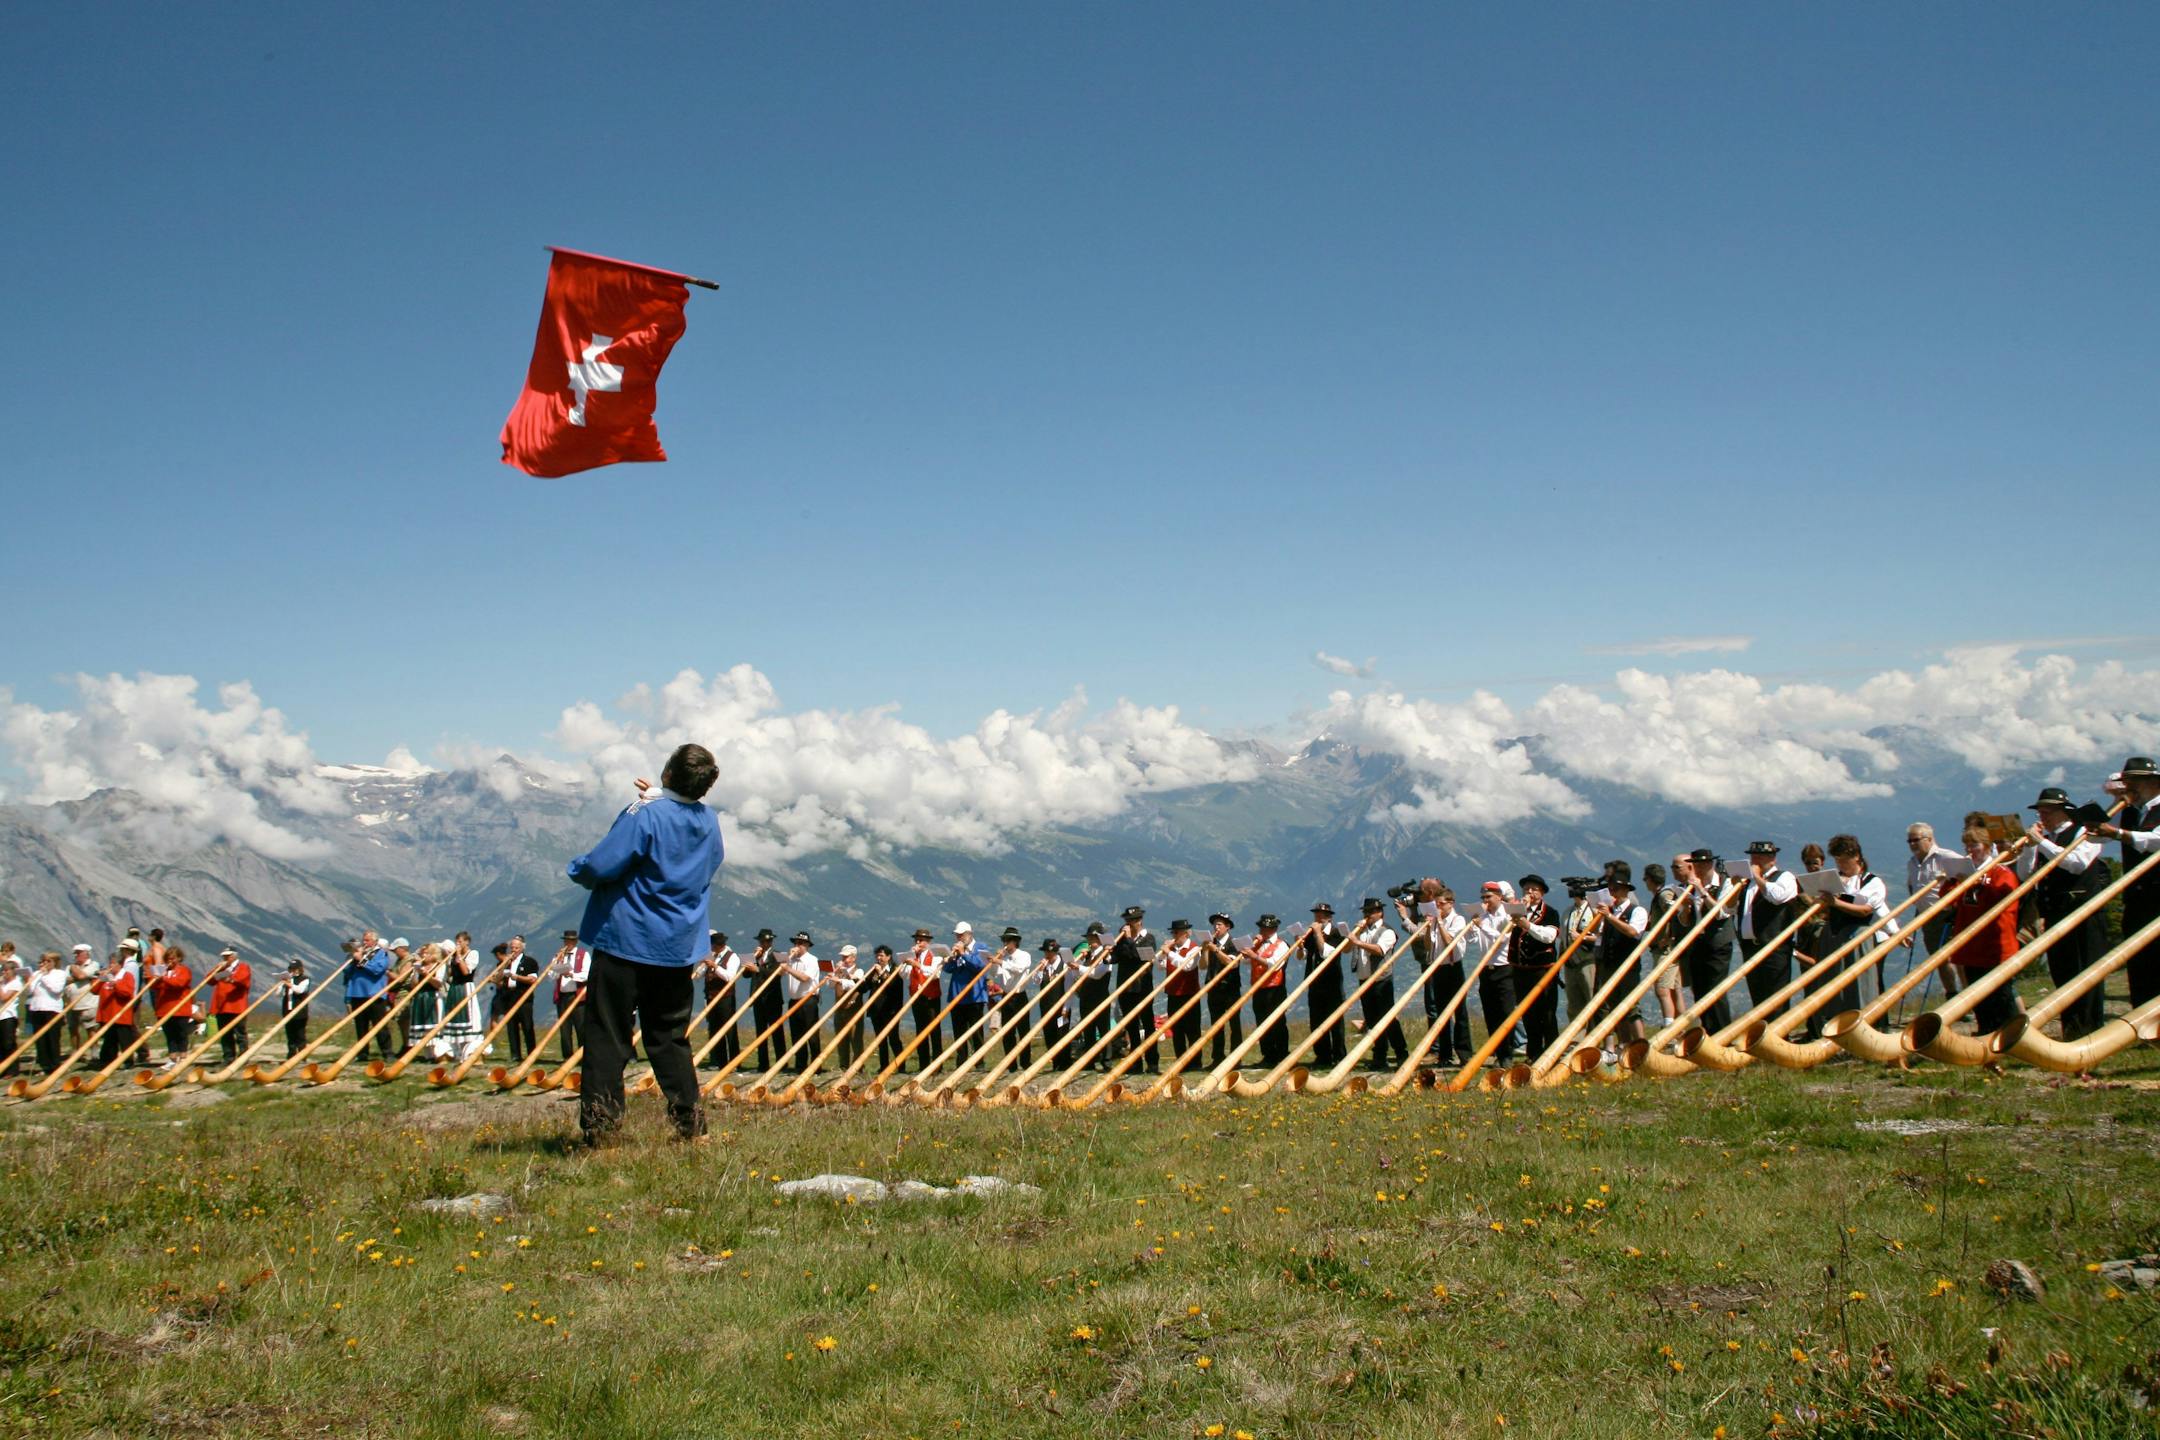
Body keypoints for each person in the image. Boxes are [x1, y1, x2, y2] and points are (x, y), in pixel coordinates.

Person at [565, 744, 725, 1144]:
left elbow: (601, 865)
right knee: (670, 1037)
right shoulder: (708, 820)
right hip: (677, 948)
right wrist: (662, 797)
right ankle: (691, 1126)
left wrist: (577, 867)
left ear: (668, 773)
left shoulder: (644, 814)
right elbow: (704, 853)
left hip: (627, 941)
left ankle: (602, 1130)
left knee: (607, 1036)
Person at [2019, 786, 2107, 1040]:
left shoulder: (2084, 832)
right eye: (2041, 812)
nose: (2043, 817)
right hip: (2055, 912)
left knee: (2086, 969)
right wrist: (2030, 847)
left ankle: (2091, 1029)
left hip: (2082, 911)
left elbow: (2076, 864)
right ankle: (2071, 1028)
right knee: (2063, 971)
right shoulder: (2047, 840)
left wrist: (2042, 843)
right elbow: (2025, 874)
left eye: (2048, 812)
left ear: (2064, 812)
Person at [1941, 823, 2023, 1035]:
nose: (1970, 850)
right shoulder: (1966, 871)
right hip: (1971, 944)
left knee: (2001, 996)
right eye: (1967, 845)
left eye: (1974, 844)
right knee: (1978, 996)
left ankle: (2010, 1036)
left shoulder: (2001, 872)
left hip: (1995, 944)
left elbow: (2001, 899)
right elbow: (1949, 901)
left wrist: (1974, 883)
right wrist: (1950, 880)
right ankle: (1986, 1032)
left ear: (1987, 846)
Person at [2091, 756, 2160, 1009]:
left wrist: (2119, 834)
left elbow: (2155, 841)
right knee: (2139, 962)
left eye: (2134, 782)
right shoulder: (2129, 811)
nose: (2129, 787)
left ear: (2153, 783)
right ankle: (2141, 1019)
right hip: (2137, 897)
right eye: (2126, 782)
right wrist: (2113, 808)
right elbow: (2097, 839)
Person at [1810, 836, 1896, 1034]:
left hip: (1858, 935)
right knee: (1833, 984)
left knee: (1859, 985)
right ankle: (1836, 1027)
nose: (1840, 864)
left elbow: (1865, 910)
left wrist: (1836, 902)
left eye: (1844, 860)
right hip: (1834, 934)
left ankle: (1865, 1028)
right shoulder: (1835, 880)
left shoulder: (1872, 882)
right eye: (1837, 860)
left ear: (1856, 857)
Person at [1588, 876, 1649, 1062]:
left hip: (1628, 965)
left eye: (1615, 889)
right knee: (1614, 1007)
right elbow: (1598, 933)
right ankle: (1623, 1045)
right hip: (1609, 964)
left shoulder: (1637, 911)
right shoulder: (1610, 912)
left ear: (1625, 891)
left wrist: (1609, 917)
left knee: (1631, 1006)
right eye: (1610, 890)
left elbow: (1633, 932)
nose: (1612, 893)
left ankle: (1642, 1047)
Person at [1678, 848, 1739, 1033]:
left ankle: (1723, 1032)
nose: (1697, 868)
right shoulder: (1691, 886)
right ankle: (1707, 1031)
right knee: (1699, 990)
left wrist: (1702, 891)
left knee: (1715, 990)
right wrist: (1686, 908)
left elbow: (1721, 913)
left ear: (1709, 864)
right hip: (1698, 942)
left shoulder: (1725, 883)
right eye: (1694, 865)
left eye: (1701, 864)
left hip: (1718, 943)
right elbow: (1684, 921)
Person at [1737, 842, 1801, 1017]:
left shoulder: (1784, 877)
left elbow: (1777, 897)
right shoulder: (1748, 883)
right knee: (1757, 996)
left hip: (1774, 947)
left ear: (1772, 859)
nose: (1754, 861)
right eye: (1753, 857)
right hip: (1750, 946)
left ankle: (1778, 1031)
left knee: (1775, 997)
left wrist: (1758, 878)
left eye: (1759, 857)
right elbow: (1731, 909)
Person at [1504, 876, 1563, 1062]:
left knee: (1547, 1013)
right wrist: (1516, 913)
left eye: (1534, 889)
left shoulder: (1550, 912)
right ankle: (1533, 1053)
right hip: (1521, 970)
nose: (1529, 892)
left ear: (1542, 892)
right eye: (1526, 889)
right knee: (1528, 1013)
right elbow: (1503, 930)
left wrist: (1527, 925)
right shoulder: (1517, 911)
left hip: (1542, 970)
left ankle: (1552, 1053)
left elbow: (1549, 936)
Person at [1905, 823, 1966, 998]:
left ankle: (1968, 994)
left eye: (1916, 840)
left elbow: (1967, 874)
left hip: (1947, 914)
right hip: (1927, 915)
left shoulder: (1946, 856)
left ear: (1929, 839)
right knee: (1938, 958)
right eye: (1910, 841)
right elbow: (1911, 884)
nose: (1912, 844)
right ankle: (1951, 993)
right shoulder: (1912, 863)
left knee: (1958, 957)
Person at [1347, 898, 1408, 1070]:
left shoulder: (1387, 931)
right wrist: (1355, 936)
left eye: (1371, 912)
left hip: (1381, 979)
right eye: (1365, 912)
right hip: (1364, 979)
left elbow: (1380, 950)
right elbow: (1351, 949)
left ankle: (1401, 1053)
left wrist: (1358, 942)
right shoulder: (1362, 930)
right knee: (1372, 1019)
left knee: (1388, 1019)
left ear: (1380, 912)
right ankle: (1379, 1055)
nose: (1367, 915)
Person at [1465, 883, 1518, 1066]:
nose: (1485, 901)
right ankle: (1498, 1053)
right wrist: (1473, 926)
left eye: (1488, 897)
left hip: (1504, 967)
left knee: (1506, 1013)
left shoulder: (1508, 916)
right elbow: (1471, 939)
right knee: (1491, 1013)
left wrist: (1482, 926)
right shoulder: (1482, 917)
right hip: (1486, 969)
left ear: (1499, 897)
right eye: (1483, 898)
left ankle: (1508, 1054)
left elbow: (1502, 938)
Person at [1297, 902, 1348, 1068]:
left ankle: (1339, 1055)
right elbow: (1302, 956)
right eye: (1316, 915)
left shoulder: (1336, 933)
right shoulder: (1310, 935)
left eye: (1322, 916)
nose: (1318, 918)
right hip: (1314, 983)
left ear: (1329, 917)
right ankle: (1322, 1056)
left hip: (1332, 983)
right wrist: (1300, 947)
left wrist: (1318, 933)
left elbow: (1327, 954)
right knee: (1316, 1020)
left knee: (1335, 1021)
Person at [1109, 908, 1158, 1069]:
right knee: (1131, 1026)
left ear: (1139, 921)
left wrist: (1129, 940)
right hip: (1125, 987)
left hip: (1142, 987)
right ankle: (1135, 1062)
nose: (1128, 924)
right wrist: (1108, 953)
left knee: (1148, 1025)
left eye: (1131, 921)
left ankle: (1152, 1061)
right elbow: (1115, 959)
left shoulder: (1148, 938)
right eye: (1127, 921)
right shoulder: (1123, 939)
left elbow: (1141, 958)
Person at [1241, 915, 1293, 1066]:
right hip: (1258, 987)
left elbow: (1275, 965)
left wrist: (1255, 956)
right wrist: (1250, 949)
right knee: (1261, 1021)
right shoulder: (1257, 944)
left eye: (1266, 928)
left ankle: (1282, 1054)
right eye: (1261, 928)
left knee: (1277, 1022)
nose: (1262, 930)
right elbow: (1245, 961)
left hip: (1275, 988)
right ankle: (1268, 1055)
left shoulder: (1282, 945)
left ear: (1274, 929)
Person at [1159, 919, 1205, 1065]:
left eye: (1177, 933)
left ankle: (1195, 1062)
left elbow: (1187, 965)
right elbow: (1160, 966)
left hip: (1189, 994)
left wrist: (1169, 953)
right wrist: (1163, 953)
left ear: (1186, 934)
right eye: (1173, 933)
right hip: (1173, 994)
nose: (1174, 935)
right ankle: (1180, 1061)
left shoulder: (1194, 948)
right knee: (1177, 1029)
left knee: (1192, 1030)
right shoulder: (1172, 949)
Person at [1201, 914, 1245, 1066]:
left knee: (1234, 1024)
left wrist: (1215, 950)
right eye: (1215, 924)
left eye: (1219, 924)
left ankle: (1236, 1058)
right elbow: (1203, 966)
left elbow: (1231, 963)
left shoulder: (1234, 943)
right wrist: (1205, 950)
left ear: (1228, 927)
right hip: (1214, 988)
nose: (1216, 927)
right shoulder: (1211, 943)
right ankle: (1217, 1057)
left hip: (1230, 988)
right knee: (1216, 1024)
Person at [944, 923, 992, 1058]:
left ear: (970, 934)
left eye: (962, 935)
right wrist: (952, 958)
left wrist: (964, 954)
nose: (959, 938)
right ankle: (961, 1059)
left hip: (974, 996)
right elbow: (947, 969)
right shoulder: (957, 950)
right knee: (958, 1031)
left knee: (976, 1031)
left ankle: (979, 1061)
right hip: (956, 995)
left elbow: (980, 966)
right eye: (957, 935)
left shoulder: (981, 947)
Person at [345, 932, 395, 1062]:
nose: (364, 942)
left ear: (375, 941)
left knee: (379, 1025)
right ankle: (362, 1052)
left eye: (367, 940)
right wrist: (352, 960)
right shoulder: (360, 954)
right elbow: (347, 973)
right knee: (361, 1026)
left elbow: (377, 970)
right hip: (357, 993)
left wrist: (361, 960)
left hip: (374, 993)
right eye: (364, 940)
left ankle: (387, 1052)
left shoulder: (380, 953)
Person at [990, 927, 1035, 1063]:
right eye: (1004, 940)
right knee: (1008, 1031)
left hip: (1019, 996)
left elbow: (1018, 969)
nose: (1005, 943)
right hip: (1006, 996)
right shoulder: (1004, 958)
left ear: (1015, 942)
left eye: (1008, 940)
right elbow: (995, 974)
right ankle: (1010, 1064)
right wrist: (996, 961)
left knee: (1023, 1030)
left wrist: (1001, 962)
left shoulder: (1024, 955)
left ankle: (1025, 1062)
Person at [1644, 863, 1682, 1024]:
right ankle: (1684, 1028)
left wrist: (1669, 937)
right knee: (1675, 991)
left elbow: (1674, 913)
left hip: (1665, 950)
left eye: (1645, 879)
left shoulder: (1663, 895)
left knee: (1662, 989)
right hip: (1668, 948)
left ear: (1651, 879)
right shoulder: (1662, 895)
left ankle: (1669, 1026)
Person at [780, 933, 823, 1069]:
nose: (797, 946)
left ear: (807, 946)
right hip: (794, 1000)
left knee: (811, 1034)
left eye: (800, 943)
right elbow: (780, 973)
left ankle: (816, 1066)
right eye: (796, 943)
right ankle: (800, 1065)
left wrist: (788, 968)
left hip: (808, 1000)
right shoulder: (791, 959)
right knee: (796, 1035)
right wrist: (787, 959)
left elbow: (805, 978)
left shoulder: (812, 960)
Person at [497, 935, 542, 1061]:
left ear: (522, 948)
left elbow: (532, 979)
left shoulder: (529, 962)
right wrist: (503, 966)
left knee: (527, 1025)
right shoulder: (506, 962)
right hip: (509, 996)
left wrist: (516, 977)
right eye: (512, 947)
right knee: (511, 1026)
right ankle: (515, 1054)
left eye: (516, 948)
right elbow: (497, 979)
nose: (514, 950)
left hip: (523, 996)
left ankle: (531, 1053)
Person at [146, 945, 195, 1061]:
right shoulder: (163, 971)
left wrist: (164, 979)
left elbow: (179, 983)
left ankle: (183, 1056)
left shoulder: (184, 970)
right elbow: (154, 986)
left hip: (180, 1008)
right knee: (169, 1034)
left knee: (181, 1033)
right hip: (164, 1008)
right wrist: (155, 978)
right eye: (167, 959)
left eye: (172, 958)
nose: (170, 961)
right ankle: (172, 1057)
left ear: (179, 958)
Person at [747, 929, 787, 1070]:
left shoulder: (779, 955)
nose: (764, 943)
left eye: (767, 941)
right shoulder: (756, 955)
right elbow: (746, 974)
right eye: (762, 941)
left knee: (777, 1031)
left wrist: (759, 969)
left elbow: (778, 973)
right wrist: (753, 958)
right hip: (758, 998)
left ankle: (782, 1063)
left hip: (773, 998)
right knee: (760, 1031)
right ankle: (762, 1064)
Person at [1561, 883, 1601, 1025]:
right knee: (1574, 1003)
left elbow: (1601, 937)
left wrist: (1582, 938)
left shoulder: (1593, 912)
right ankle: (1577, 1033)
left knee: (1591, 998)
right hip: (1570, 962)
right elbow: (1563, 937)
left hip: (1588, 960)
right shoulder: (1568, 912)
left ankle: (1595, 1030)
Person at [903, 928, 943, 1067]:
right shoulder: (913, 956)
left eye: (920, 940)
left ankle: (937, 1065)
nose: (918, 943)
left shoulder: (935, 956)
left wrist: (918, 965)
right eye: (916, 940)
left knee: (934, 1030)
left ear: (927, 942)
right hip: (917, 997)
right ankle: (923, 1064)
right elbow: (904, 975)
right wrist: (908, 960)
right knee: (920, 1030)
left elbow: (935, 974)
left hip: (931, 997)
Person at [1072, 924, 1112, 1060]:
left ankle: (1106, 1059)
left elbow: (1098, 974)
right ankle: (1090, 1059)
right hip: (1086, 996)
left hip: (1100, 996)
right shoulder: (1088, 956)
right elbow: (1079, 975)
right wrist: (1077, 965)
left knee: (1103, 1028)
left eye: (1094, 937)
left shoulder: (1106, 954)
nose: (1091, 940)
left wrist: (1079, 967)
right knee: (1088, 1029)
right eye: (1090, 937)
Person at [93, 952, 139, 1066]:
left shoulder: (127, 976)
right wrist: (99, 979)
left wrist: (115, 983)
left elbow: (126, 992)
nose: (110, 965)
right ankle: (107, 1061)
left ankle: (128, 1061)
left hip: (121, 1014)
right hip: (106, 1015)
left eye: (113, 963)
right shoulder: (107, 977)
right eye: (110, 963)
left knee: (125, 1040)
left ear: (120, 964)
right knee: (109, 1040)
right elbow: (94, 990)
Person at [865, 944, 906, 1068]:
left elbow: (892, 984)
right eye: (877, 956)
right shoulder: (874, 971)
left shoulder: (896, 970)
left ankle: (901, 1066)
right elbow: (865, 987)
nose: (879, 958)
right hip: (876, 1010)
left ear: (888, 957)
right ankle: (883, 1066)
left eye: (881, 956)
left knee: (893, 1038)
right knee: (880, 1040)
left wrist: (881, 972)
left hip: (891, 1010)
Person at [208, 948, 251, 1064]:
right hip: (221, 1006)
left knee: (240, 1033)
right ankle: (228, 1057)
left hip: (237, 1006)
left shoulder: (243, 967)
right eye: (224, 956)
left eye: (228, 956)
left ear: (234, 956)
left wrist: (231, 979)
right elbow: (209, 981)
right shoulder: (222, 968)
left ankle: (243, 1057)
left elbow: (243, 980)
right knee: (225, 1034)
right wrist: (217, 969)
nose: (226, 958)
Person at [28, 952, 69, 1073]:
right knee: (40, 1039)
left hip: (52, 1009)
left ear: (55, 962)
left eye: (48, 961)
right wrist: (30, 980)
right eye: (43, 961)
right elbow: (30, 991)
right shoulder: (36, 973)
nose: (45, 963)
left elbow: (56, 990)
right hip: (37, 1008)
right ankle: (44, 1065)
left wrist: (44, 977)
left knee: (52, 1038)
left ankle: (54, 1065)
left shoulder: (60, 974)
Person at [65, 944, 99, 1047]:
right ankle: (76, 1051)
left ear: (86, 954)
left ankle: (94, 1052)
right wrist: (77, 975)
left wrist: (74, 971)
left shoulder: (93, 965)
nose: (76, 955)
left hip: (88, 1003)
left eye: (78, 953)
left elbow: (81, 975)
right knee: (73, 1029)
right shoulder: (69, 967)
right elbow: (66, 980)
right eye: (75, 953)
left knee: (90, 1028)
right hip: (72, 1003)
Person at [279, 959, 313, 1059]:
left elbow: (299, 990)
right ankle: (291, 1054)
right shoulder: (287, 980)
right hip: (287, 1010)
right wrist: (281, 985)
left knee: (300, 1034)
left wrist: (289, 984)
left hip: (300, 1011)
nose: (292, 971)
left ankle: (302, 1056)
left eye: (295, 969)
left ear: (300, 969)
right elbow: (277, 994)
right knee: (290, 1034)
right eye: (291, 969)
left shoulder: (305, 979)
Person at [0, 953, 21, 1075]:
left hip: (9, 1015)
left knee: (8, 1043)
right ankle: (2, 1068)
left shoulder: (16, 983)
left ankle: (12, 1069)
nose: (4, 972)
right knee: (0, 1044)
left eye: (7, 970)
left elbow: (4, 997)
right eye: (3, 970)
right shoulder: (3, 984)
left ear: (13, 971)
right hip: (0, 1015)